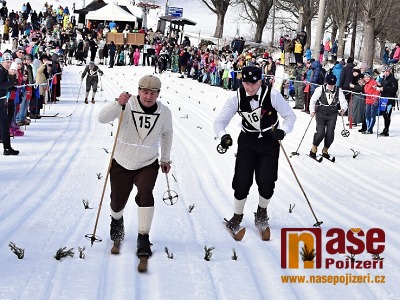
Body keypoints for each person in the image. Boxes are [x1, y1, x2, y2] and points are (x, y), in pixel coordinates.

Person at [214, 66, 296, 237]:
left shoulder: (272, 95)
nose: (249, 88)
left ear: (261, 81)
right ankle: (236, 216)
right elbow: (220, 122)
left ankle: (261, 213)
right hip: (247, 142)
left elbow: (290, 116)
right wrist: (223, 136)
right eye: (245, 83)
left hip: (269, 141)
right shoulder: (236, 98)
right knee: (242, 180)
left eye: (253, 83)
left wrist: (283, 131)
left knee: (267, 180)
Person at [98, 75, 173, 257]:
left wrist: (165, 158)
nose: (148, 97)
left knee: (146, 194)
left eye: (153, 93)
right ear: (139, 91)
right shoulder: (127, 104)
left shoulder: (164, 112)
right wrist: (117, 103)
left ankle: (143, 236)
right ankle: (117, 223)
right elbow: (102, 118)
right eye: (145, 92)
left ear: (158, 94)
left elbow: (167, 134)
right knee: (117, 201)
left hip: (148, 162)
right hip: (122, 161)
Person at [309, 73, 348, 159]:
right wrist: (312, 111)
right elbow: (313, 100)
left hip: (333, 114)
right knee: (320, 132)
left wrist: (343, 109)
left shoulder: (338, 90)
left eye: (332, 85)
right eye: (329, 84)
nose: (331, 86)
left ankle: (325, 149)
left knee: (330, 133)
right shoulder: (320, 89)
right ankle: (314, 148)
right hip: (321, 113)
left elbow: (343, 102)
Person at [0, 52, 19, 155]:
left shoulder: (4, 71)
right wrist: (11, 82)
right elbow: (1, 85)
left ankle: (7, 147)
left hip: (2, 99)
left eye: (10, 62)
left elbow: (6, 85)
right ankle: (7, 148)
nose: (8, 64)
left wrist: (12, 85)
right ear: (2, 62)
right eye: (7, 62)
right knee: (5, 124)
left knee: (4, 124)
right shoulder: (1, 71)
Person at [376, 66, 398, 136]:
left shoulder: (393, 79)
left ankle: (386, 130)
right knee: (384, 114)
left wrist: (384, 88)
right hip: (383, 99)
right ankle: (385, 129)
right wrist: (378, 87)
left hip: (389, 100)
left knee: (387, 115)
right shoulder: (383, 78)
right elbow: (382, 86)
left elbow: (394, 89)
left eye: (387, 71)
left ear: (390, 71)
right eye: (385, 71)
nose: (386, 72)